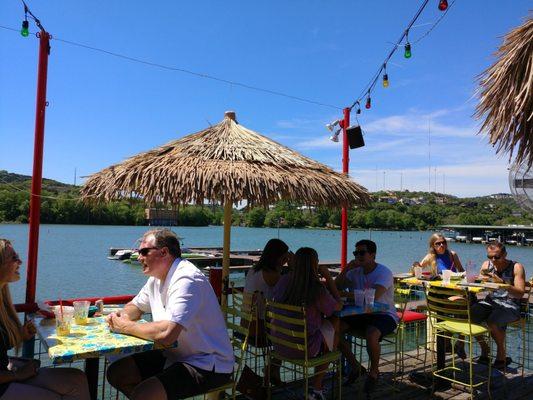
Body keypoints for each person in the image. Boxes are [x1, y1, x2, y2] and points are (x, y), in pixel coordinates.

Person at [105, 229, 234, 400]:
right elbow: (134, 306)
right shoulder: (156, 279)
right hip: (174, 354)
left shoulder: (186, 279)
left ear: (164, 252)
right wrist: (121, 316)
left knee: (144, 394)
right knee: (117, 373)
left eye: (143, 252)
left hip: (208, 363)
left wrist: (127, 327)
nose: (138, 257)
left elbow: (167, 334)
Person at [0, 239, 90, 400]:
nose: (20, 262)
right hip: (4, 383)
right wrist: (18, 375)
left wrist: (19, 335)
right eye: (14, 258)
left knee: (77, 379)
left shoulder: (2, 299)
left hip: (7, 373)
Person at [272, 247, 342, 400]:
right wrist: (329, 279)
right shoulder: (316, 288)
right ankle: (316, 388)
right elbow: (337, 306)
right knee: (336, 322)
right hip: (304, 349)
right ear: (315, 264)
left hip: (279, 345)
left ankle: (317, 386)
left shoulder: (284, 280)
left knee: (323, 327)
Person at [335, 239, 398, 394]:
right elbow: (336, 286)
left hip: (383, 314)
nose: (358, 256)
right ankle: (355, 365)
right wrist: (348, 267)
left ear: (373, 255)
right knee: (334, 330)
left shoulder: (383, 272)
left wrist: (346, 295)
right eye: (356, 253)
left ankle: (374, 373)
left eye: (362, 252)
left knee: (371, 334)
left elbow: (375, 297)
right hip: (360, 313)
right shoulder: (355, 271)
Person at [472, 241, 526, 369]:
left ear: (505, 254)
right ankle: (485, 348)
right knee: (470, 315)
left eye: (496, 257)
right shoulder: (487, 265)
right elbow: (480, 285)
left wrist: (502, 282)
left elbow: (519, 293)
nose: (493, 260)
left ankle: (501, 354)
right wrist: (479, 280)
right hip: (491, 301)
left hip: (511, 305)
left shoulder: (516, 267)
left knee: (493, 321)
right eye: (490, 257)